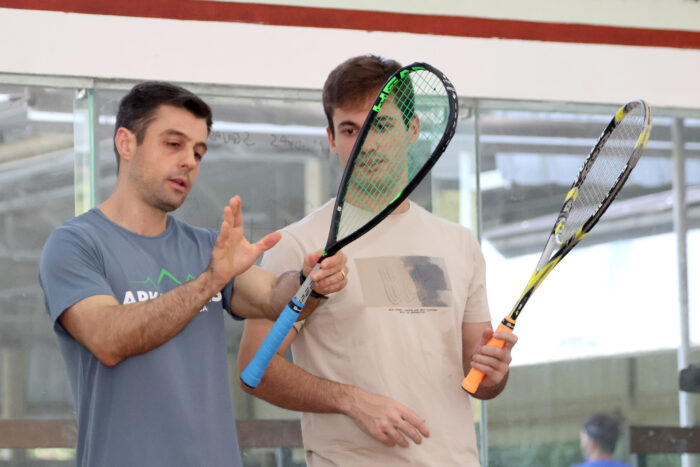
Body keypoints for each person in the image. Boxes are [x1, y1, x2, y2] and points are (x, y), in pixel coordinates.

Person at [38, 81, 347, 467]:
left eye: (198, 152)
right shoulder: (75, 244)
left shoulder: (205, 248)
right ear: (126, 143)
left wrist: (309, 282)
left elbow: (276, 300)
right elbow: (108, 339)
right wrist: (209, 283)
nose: (189, 161)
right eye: (174, 144)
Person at [237, 55, 517, 466]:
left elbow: (479, 382)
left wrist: (494, 373)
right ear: (332, 139)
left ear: (414, 130)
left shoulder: (459, 245)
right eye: (350, 129)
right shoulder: (300, 244)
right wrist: (351, 401)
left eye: (380, 125)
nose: (364, 141)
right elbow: (255, 369)